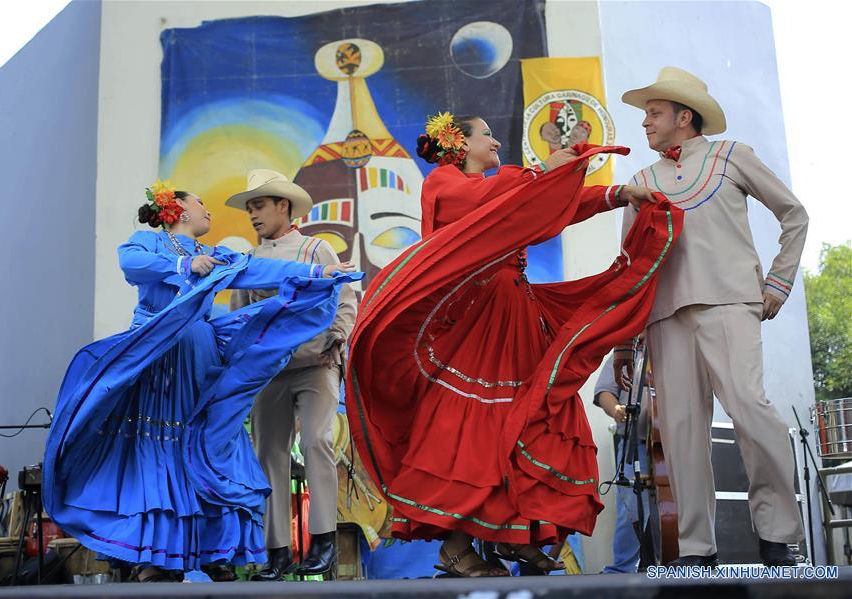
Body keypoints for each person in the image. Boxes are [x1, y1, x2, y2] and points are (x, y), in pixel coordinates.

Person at [346, 111, 683, 577]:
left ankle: (517, 531)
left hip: (516, 313)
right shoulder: (443, 184)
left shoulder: (507, 187)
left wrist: (618, 194)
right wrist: (544, 171)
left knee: (533, 416)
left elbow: (550, 208)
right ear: (458, 144)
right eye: (486, 135)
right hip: (477, 319)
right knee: (475, 426)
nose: (497, 143)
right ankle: (457, 547)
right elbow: (492, 199)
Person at [42, 180, 359, 582]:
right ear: (177, 212)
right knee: (158, 452)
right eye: (201, 204)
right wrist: (182, 266)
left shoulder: (215, 255)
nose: (208, 211)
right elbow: (129, 263)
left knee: (205, 448)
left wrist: (319, 271)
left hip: (198, 362)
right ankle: (157, 557)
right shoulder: (149, 244)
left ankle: (210, 550)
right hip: (159, 359)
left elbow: (256, 269)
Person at [616, 67, 808, 567]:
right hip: (664, 315)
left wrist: (779, 282)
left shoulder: (731, 156)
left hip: (731, 301)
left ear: (684, 116)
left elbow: (794, 214)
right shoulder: (640, 181)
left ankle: (778, 534)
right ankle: (697, 549)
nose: (646, 123)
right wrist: (624, 332)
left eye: (653, 113)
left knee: (752, 411)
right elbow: (631, 262)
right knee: (679, 430)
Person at [226, 170, 357, 579]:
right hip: (270, 373)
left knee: (317, 440)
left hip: (315, 367)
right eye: (250, 208)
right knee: (268, 454)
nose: (253, 215)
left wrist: (335, 337)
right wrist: (244, 359)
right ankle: (277, 552)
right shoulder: (249, 261)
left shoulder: (317, 249)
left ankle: (324, 542)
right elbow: (240, 314)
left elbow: (346, 300)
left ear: (284, 205)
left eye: (259, 205)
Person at [593, 354, 650, 573]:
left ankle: (663, 563)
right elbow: (605, 391)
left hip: (671, 442)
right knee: (630, 508)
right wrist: (616, 409)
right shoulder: (629, 349)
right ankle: (622, 570)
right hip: (634, 440)